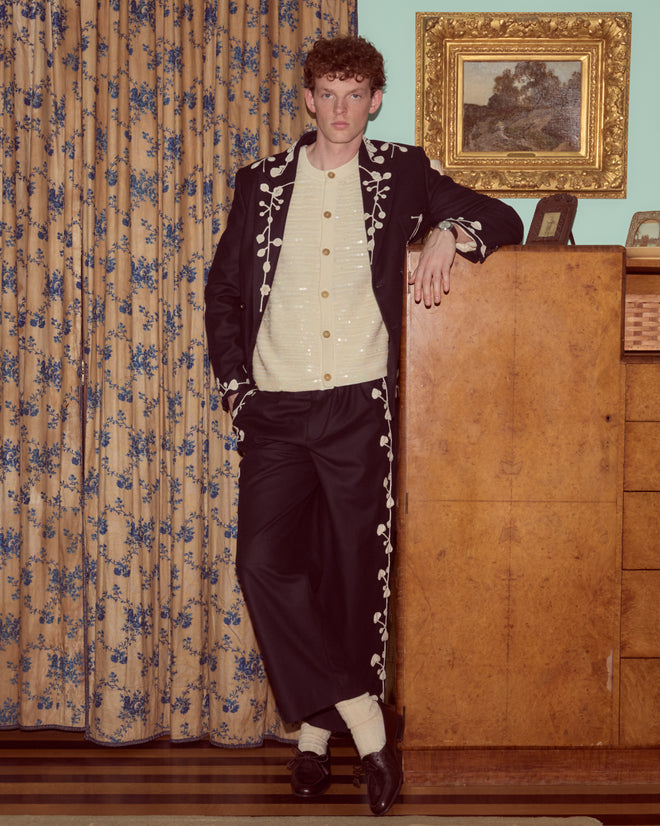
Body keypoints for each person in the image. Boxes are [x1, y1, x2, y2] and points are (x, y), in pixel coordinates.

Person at [205, 35, 523, 816]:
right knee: (264, 565)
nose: (341, 110)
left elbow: (502, 216)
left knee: (348, 575)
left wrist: (449, 232)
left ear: (374, 100)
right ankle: (367, 729)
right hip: (275, 408)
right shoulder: (262, 182)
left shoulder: (400, 172)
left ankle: (314, 741)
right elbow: (223, 294)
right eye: (328, 94)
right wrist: (235, 392)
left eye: (356, 95)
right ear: (308, 99)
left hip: (356, 409)